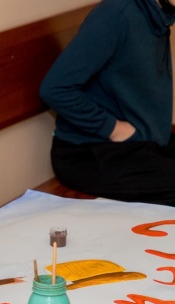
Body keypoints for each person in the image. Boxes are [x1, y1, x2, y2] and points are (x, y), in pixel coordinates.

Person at [39, 0, 175, 207]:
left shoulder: (159, 16)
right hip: (89, 154)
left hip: (143, 141)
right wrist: (113, 128)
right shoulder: (116, 15)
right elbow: (55, 88)